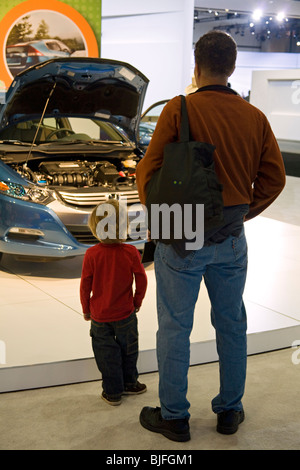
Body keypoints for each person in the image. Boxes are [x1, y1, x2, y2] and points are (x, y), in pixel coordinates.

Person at [136, 30, 286, 440]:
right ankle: (229, 411)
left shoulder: (178, 109)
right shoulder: (255, 117)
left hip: (181, 240)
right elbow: (275, 179)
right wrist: (241, 213)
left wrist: (165, 216)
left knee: (174, 328)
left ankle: (175, 416)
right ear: (233, 67)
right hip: (232, 240)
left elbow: (147, 172)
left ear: (196, 67)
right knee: (232, 325)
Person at [80, 198, 148, 406]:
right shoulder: (131, 252)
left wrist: (86, 309)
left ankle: (112, 392)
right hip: (126, 313)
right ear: (124, 227)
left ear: (95, 227)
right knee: (130, 349)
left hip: (100, 316)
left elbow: (85, 285)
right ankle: (130, 382)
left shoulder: (91, 254)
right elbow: (142, 278)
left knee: (106, 353)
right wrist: (137, 300)